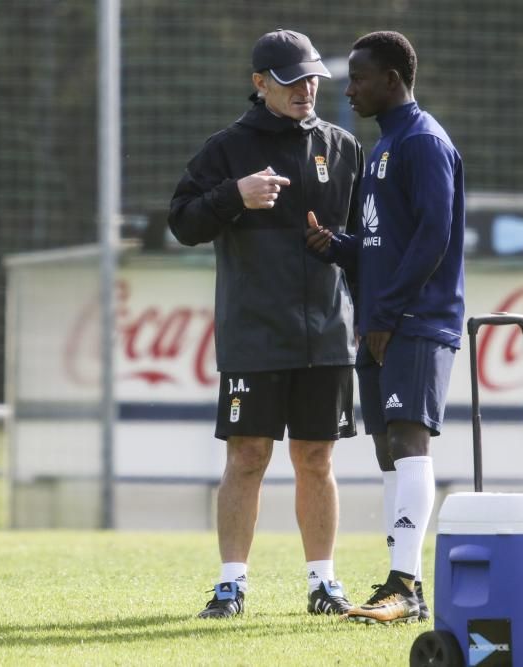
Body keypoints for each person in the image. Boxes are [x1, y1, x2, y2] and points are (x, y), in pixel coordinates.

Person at [168, 28, 363, 619]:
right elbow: (182, 223)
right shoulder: (224, 149)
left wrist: (365, 313)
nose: (305, 89)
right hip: (253, 334)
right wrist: (235, 195)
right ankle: (231, 586)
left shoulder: (343, 147)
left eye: (310, 79)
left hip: (326, 336)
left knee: (317, 458)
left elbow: (361, 244)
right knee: (247, 455)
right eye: (290, 81)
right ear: (259, 84)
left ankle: (323, 585)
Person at [306, 30, 465, 624]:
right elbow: (382, 244)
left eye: (361, 77)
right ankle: (400, 585)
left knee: (407, 440)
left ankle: (407, 586)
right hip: (381, 320)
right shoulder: (385, 148)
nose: (350, 90)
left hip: (414, 322)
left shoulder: (424, 142)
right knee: (385, 452)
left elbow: (433, 237)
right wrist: (336, 246)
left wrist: (389, 311)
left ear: (393, 80)